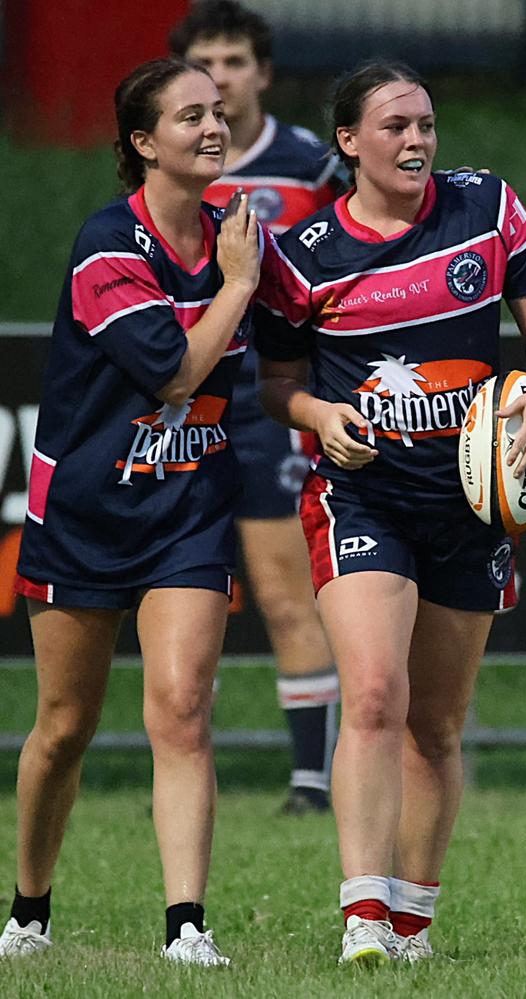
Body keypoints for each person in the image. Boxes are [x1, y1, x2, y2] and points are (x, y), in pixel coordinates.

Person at [254, 60, 526, 964]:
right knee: (372, 691)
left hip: (471, 501)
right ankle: (363, 911)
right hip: (360, 492)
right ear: (350, 142)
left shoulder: (489, 209)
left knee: (436, 722)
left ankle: (411, 925)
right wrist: (321, 415)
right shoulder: (303, 257)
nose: (417, 141)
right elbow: (277, 384)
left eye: (427, 124)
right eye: (394, 127)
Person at [0, 57, 260, 965]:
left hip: (187, 509)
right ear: (144, 143)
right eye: (190, 116)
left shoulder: (239, 231)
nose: (213, 127)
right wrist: (234, 287)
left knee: (184, 707)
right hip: (86, 512)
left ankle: (186, 926)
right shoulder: (110, 246)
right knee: (65, 726)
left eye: (218, 112)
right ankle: (28, 907)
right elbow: (178, 371)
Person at [169, 0, 341, 815]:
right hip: (185, 399)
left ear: (262, 72)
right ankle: (176, 766)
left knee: (282, 589)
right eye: (206, 64)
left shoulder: (310, 163)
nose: (223, 77)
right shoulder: (169, 168)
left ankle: (313, 779)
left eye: (235, 61)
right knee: (178, 589)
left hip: (272, 397)